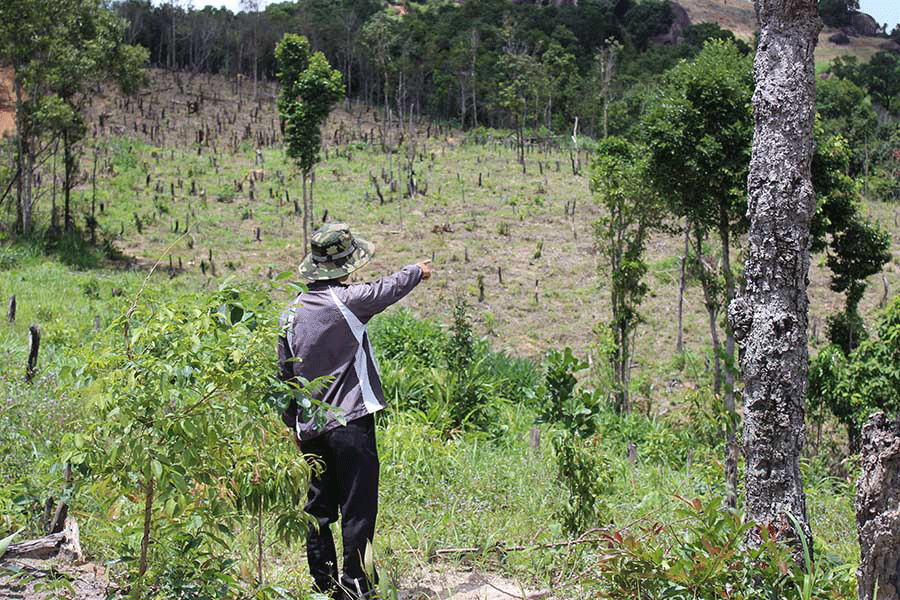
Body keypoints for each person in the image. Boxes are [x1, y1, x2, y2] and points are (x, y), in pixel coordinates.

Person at [277, 223, 431, 600]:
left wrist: (293, 427)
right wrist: (418, 270)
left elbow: (285, 377)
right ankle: (356, 587)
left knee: (319, 509)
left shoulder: (290, 314)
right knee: (358, 507)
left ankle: (324, 586)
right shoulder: (347, 300)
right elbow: (386, 289)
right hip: (351, 421)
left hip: (311, 428)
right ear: (347, 264)